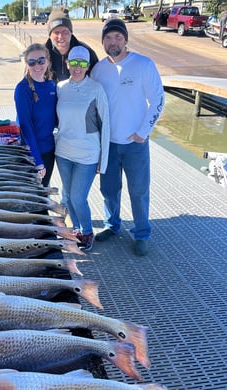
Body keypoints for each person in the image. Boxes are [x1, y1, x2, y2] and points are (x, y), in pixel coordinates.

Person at [90, 19, 165, 256]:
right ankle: (113, 225)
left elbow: (158, 100)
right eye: (109, 38)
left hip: (135, 144)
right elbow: (91, 105)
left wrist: (143, 132)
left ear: (126, 40)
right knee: (109, 189)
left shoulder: (143, 64)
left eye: (118, 37)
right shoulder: (99, 69)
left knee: (138, 190)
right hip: (109, 143)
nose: (113, 42)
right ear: (103, 42)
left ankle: (142, 232)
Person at [55, 46, 110, 251]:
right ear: (68, 63)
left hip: (87, 154)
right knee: (68, 196)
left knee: (78, 197)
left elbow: (106, 126)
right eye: (74, 62)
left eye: (82, 63)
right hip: (63, 152)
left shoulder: (96, 89)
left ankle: (87, 231)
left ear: (88, 66)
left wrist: (102, 162)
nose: (77, 67)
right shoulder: (60, 87)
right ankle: (75, 229)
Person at [14, 43, 57, 187]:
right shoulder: (23, 89)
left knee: (43, 193)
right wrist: (37, 160)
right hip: (32, 152)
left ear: (48, 61)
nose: (37, 65)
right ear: (26, 64)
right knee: (34, 200)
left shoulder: (52, 86)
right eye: (31, 62)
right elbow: (25, 126)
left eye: (41, 61)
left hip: (49, 149)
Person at [45, 7, 99, 83]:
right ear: (50, 35)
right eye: (56, 32)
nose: (60, 36)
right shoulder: (40, 54)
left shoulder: (86, 52)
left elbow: (97, 79)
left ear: (71, 32)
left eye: (65, 32)